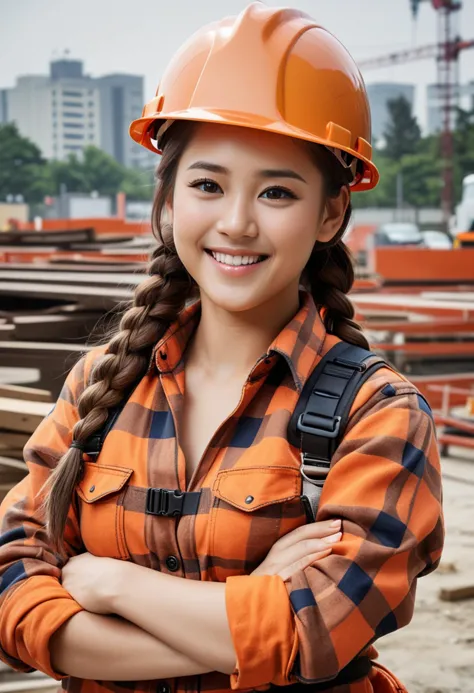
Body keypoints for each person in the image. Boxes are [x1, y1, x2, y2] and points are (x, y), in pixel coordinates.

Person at [0, 4, 443, 693]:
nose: (236, 223)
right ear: (169, 200)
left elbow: (315, 634)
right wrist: (246, 612)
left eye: (276, 191)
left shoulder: (378, 412)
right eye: (208, 184)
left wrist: (107, 581)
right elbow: (13, 592)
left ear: (330, 212)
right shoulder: (99, 386)